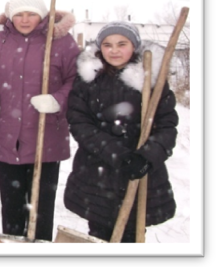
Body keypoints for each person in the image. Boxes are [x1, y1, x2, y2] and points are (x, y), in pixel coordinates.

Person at [0, 0, 80, 241]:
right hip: (6, 136)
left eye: (31, 14)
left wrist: (58, 100)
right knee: (11, 207)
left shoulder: (62, 42)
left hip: (46, 137)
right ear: (10, 17)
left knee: (40, 210)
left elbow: (77, 80)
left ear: (42, 16)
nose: (24, 20)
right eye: (19, 15)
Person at [63, 21, 179, 242]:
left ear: (134, 46)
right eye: (107, 45)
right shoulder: (89, 79)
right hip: (97, 173)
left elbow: (167, 125)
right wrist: (117, 154)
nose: (114, 50)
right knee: (99, 233)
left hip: (140, 172)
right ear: (100, 48)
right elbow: (79, 122)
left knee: (133, 235)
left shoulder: (151, 80)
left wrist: (146, 157)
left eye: (121, 44)